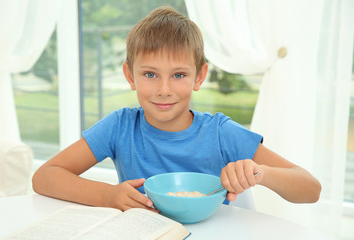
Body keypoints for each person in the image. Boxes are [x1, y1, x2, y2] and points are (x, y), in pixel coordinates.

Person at [32, 6, 321, 212]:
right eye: (150, 74)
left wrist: (261, 173)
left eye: (179, 75)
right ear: (130, 75)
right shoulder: (119, 126)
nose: (164, 89)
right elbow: (44, 176)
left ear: (199, 76)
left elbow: (310, 189)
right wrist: (108, 195)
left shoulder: (221, 132)